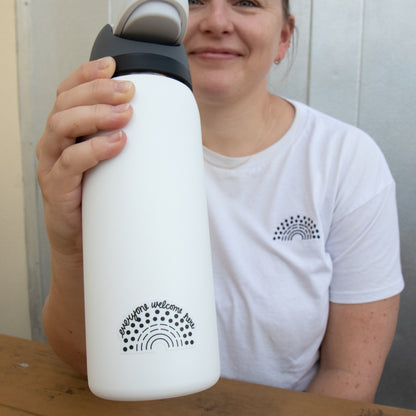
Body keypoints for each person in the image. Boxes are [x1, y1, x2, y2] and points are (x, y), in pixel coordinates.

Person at [37, 0, 404, 403]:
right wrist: (68, 245)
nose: (216, 22)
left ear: (283, 37)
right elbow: (83, 360)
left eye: (246, 2)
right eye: (195, 2)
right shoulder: (105, 151)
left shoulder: (344, 160)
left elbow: (349, 375)